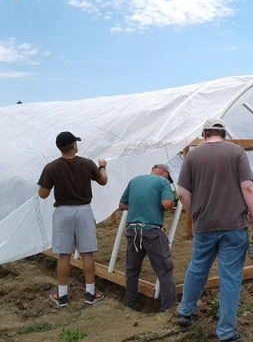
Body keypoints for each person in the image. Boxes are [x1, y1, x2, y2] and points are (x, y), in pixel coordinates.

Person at [176, 118, 253, 342]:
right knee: (230, 277)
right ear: (223, 133)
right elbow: (248, 188)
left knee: (197, 267)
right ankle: (225, 333)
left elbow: (182, 192)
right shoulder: (236, 152)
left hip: (204, 225)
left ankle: (185, 311)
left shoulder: (192, 156)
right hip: (233, 225)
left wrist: (194, 214)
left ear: (204, 133)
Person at [38, 131, 108, 307]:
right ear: (74, 146)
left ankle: (62, 297)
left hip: (63, 212)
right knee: (87, 253)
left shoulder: (51, 167)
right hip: (83, 210)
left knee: (64, 254)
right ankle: (91, 294)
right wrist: (102, 167)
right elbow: (103, 181)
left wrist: (44, 185)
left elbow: (43, 194)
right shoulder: (87, 163)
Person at [118, 164, 177, 312]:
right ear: (164, 173)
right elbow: (166, 204)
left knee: (132, 270)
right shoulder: (162, 182)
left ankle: (131, 304)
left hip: (133, 231)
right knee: (164, 269)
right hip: (152, 232)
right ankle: (168, 308)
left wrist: (140, 205)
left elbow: (122, 205)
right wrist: (172, 200)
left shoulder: (134, 181)